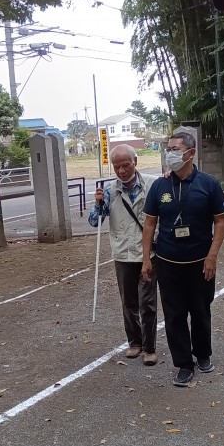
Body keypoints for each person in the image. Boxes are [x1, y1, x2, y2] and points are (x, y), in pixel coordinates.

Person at [141, 132, 224, 387]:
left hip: (200, 263)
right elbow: (149, 224)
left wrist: (212, 256)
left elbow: (220, 222)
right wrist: (146, 259)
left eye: (175, 149)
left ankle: (202, 354)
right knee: (174, 314)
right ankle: (184, 364)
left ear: (191, 153)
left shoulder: (209, 184)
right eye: (168, 149)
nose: (170, 153)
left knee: (201, 310)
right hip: (168, 262)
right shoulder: (160, 186)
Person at [89, 144, 158, 366]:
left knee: (147, 303)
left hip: (147, 253)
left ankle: (149, 347)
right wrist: (97, 204)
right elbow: (94, 221)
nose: (121, 171)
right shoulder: (109, 190)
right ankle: (134, 342)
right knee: (128, 302)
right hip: (122, 254)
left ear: (135, 161)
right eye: (117, 166)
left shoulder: (152, 184)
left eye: (126, 165)